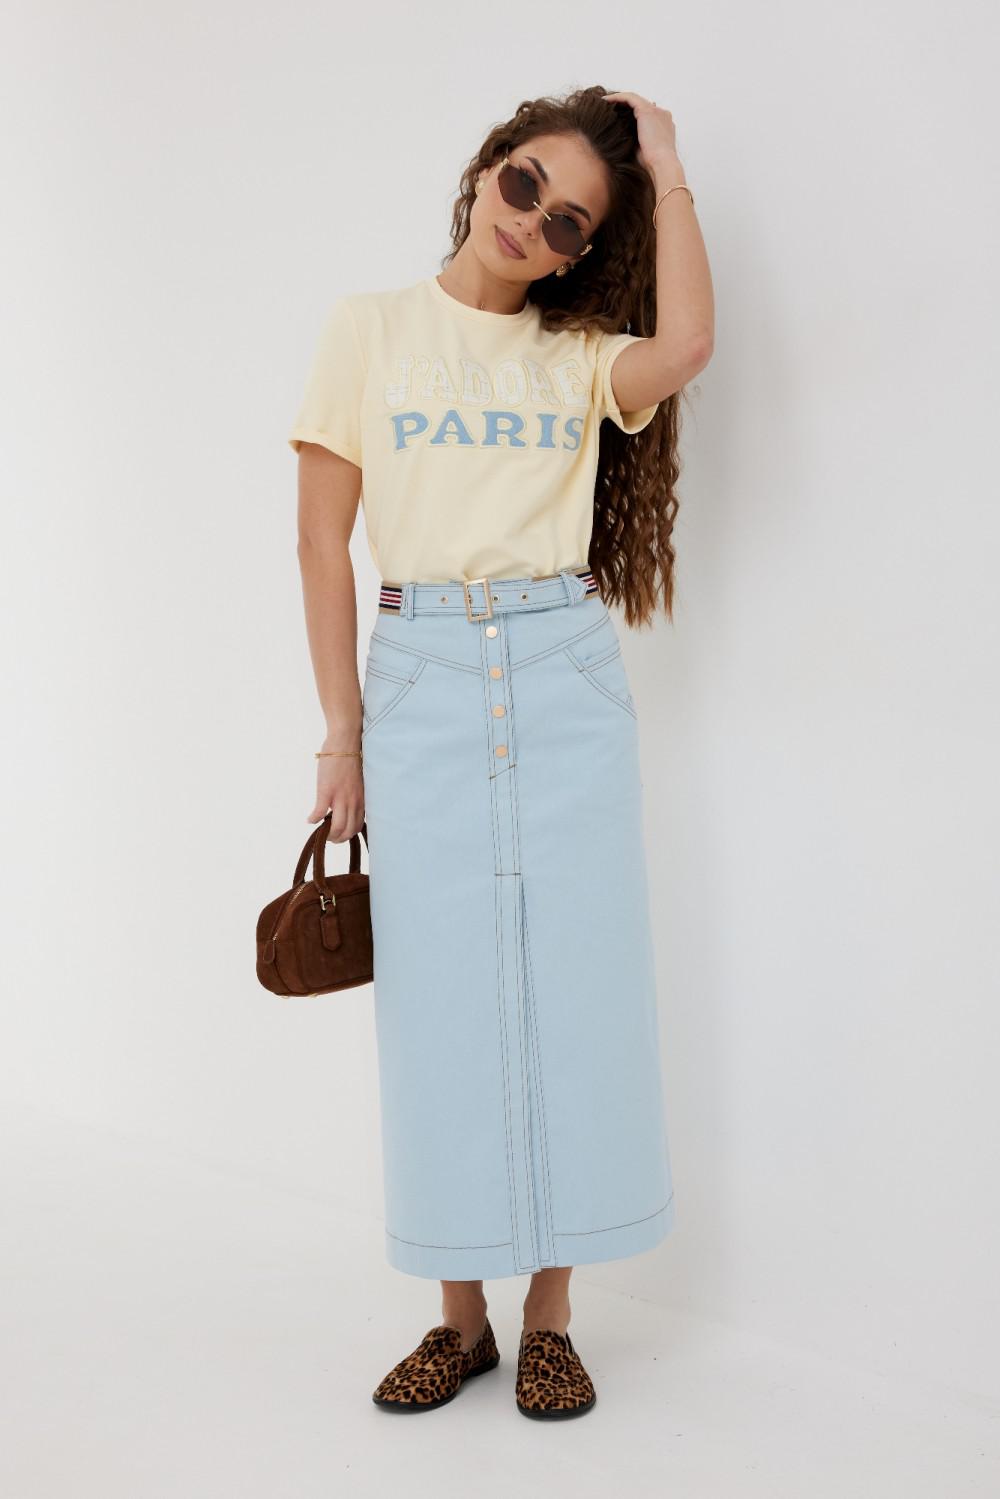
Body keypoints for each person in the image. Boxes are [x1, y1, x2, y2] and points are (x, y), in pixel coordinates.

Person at [287, 84, 714, 1419]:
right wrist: (342, 734)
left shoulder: (577, 358)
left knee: (579, 990)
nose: (533, 221)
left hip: (560, 668)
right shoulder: (369, 329)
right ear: (487, 170)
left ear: (583, 252)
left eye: (570, 220)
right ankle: (459, 1318)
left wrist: (669, 166)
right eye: (525, 183)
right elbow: (320, 543)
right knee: (440, 1003)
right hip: (421, 672)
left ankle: (552, 1319)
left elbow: (688, 345)